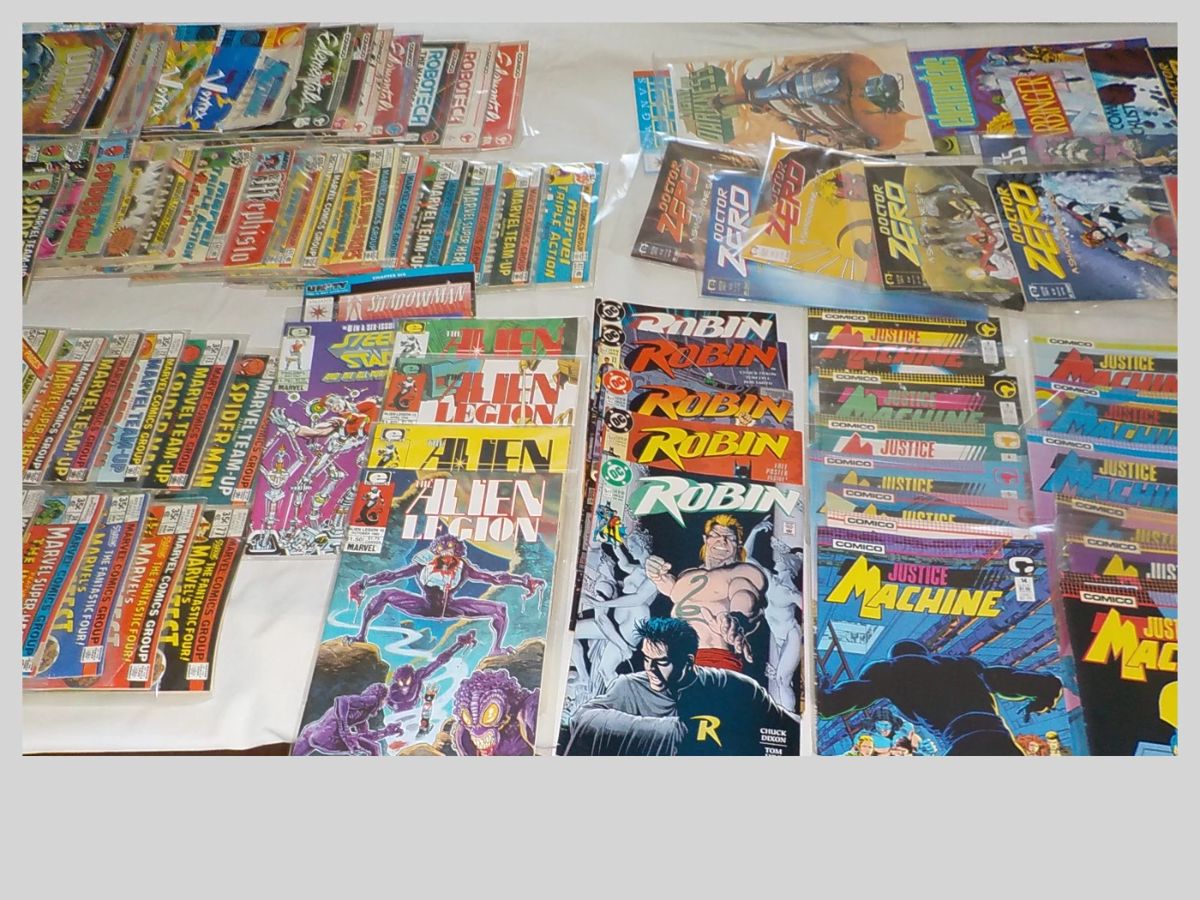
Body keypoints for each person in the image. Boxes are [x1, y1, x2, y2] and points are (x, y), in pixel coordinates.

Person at [562, 617, 799, 756]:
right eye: (646, 659)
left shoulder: (733, 686)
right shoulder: (629, 687)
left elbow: (789, 730)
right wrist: (668, 731)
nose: (650, 669)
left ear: (688, 661)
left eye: (661, 662)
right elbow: (583, 718)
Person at [818, 639, 1064, 756]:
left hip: (962, 742)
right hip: (999, 739)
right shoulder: (965, 666)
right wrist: (1039, 701)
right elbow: (1042, 683)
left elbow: (835, 704)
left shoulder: (891, 670)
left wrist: (821, 692)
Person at [645, 514, 767, 672]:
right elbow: (671, 589)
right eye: (716, 535)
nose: (722, 541)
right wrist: (656, 573)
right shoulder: (687, 575)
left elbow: (745, 596)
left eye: (730, 538)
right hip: (678, 662)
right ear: (706, 539)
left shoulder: (744, 572)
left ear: (738, 544)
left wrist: (737, 620)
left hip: (716, 660)